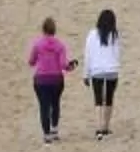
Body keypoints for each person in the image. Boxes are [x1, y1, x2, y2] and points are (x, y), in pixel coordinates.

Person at [27, 16, 76, 143]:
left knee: (44, 106)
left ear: (43, 30)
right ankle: (54, 129)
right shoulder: (60, 45)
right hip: (56, 79)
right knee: (55, 104)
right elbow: (63, 65)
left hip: (41, 79)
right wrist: (71, 66)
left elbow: (31, 62)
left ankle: (46, 134)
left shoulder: (37, 44)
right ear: (54, 30)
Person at [82, 8, 122, 137]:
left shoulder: (92, 34)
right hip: (112, 70)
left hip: (96, 70)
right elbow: (117, 53)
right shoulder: (115, 35)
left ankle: (99, 128)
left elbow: (88, 55)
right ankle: (106, 127)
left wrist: (86, 74)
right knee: (109, 99)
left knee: (98, 99)